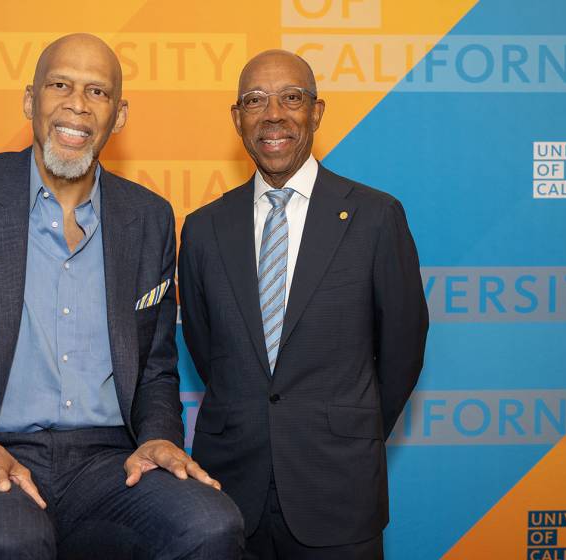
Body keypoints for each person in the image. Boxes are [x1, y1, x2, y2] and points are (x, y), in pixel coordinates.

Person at [0, 33, 243, 560]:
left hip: (107, 462)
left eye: (97, 92)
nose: (77, 103)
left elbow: (156, 368)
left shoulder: (149, 217)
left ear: (118, 117)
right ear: (32, 101)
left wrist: (160, 436)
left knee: (210, 523)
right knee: (11, 539)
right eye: (60, 85)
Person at [178, 49, 429, 559]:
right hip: (230, 490)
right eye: (255, 100)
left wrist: (346, 428)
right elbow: (208, 351)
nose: (274, 114)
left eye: (292, 97)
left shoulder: (376, 217)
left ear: (317, 112)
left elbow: (402, 349)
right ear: (237, 119)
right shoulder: (203, 228)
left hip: (338, 488)